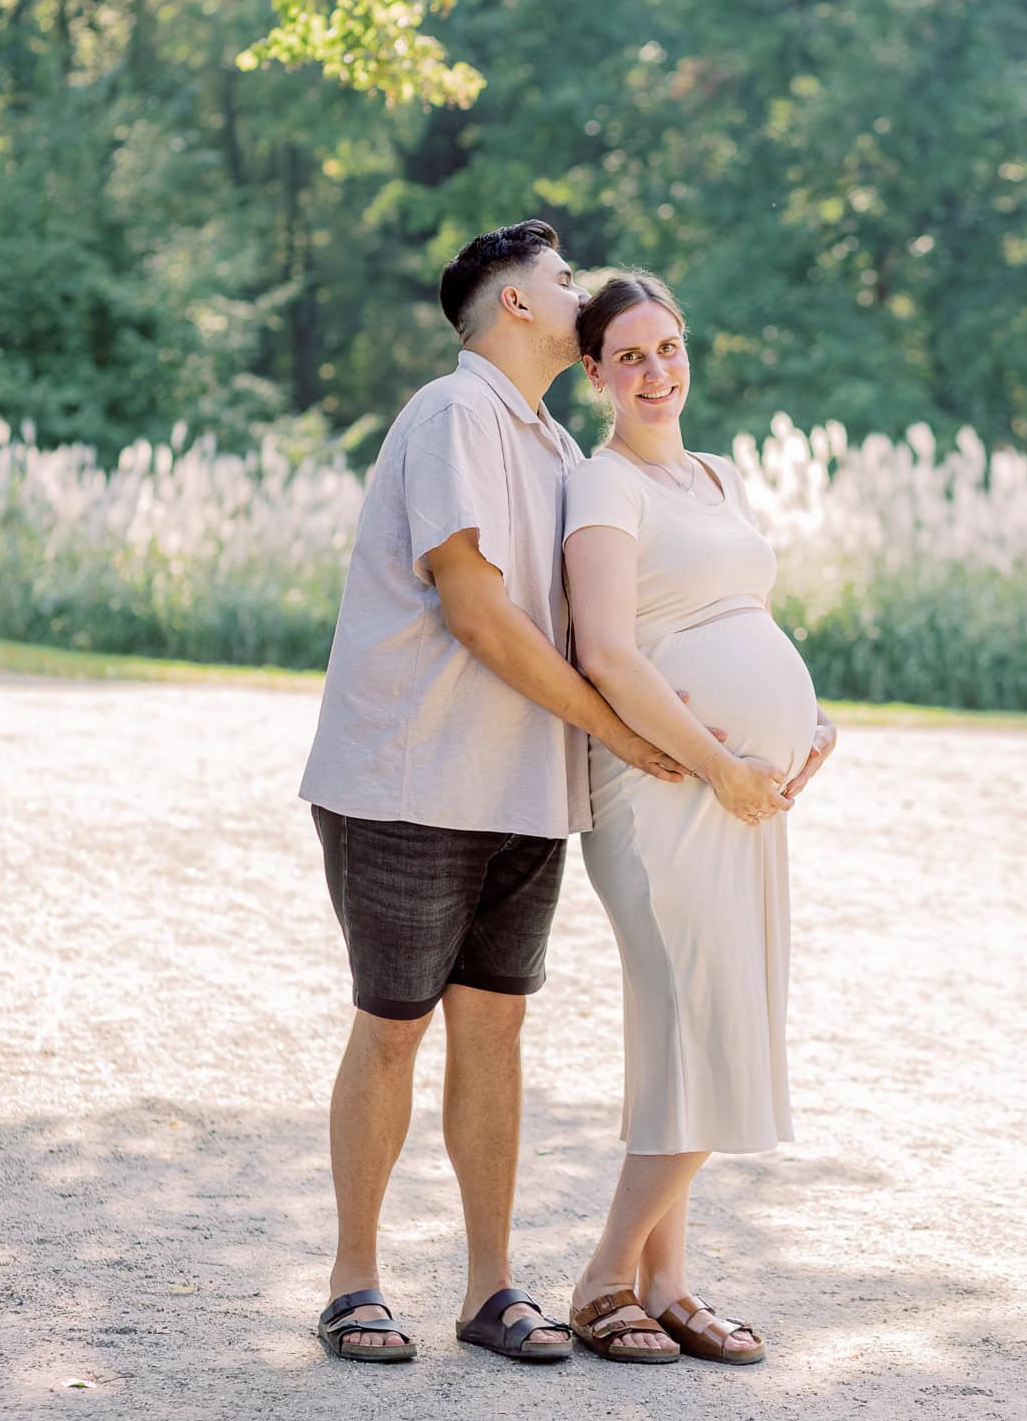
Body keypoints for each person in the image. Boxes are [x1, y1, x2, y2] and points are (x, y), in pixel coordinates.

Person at [298, 222, 701, 1365]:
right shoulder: (454, 413)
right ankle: (355, 1282)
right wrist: (614, 727)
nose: (579, 292)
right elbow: (473, 611)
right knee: (393, 1028)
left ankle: (491, 1288)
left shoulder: (559, 451)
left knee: (497, 1030)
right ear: (516, 306)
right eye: (562, 279)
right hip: (409, 783)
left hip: (527, 792)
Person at [562, 272, 837, 1366]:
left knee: (693, 1034)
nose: (656, 372)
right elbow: (610, 654)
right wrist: (721, 761)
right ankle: (601, 1281)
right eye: (629, 356)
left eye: (668, 347)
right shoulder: (602, 488)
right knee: (702, 1027)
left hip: (743, 796)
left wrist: (809, 716)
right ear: (593, 375)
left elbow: (741, 612)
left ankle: (668, 1286)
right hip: (667, 793)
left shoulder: (715, 474)